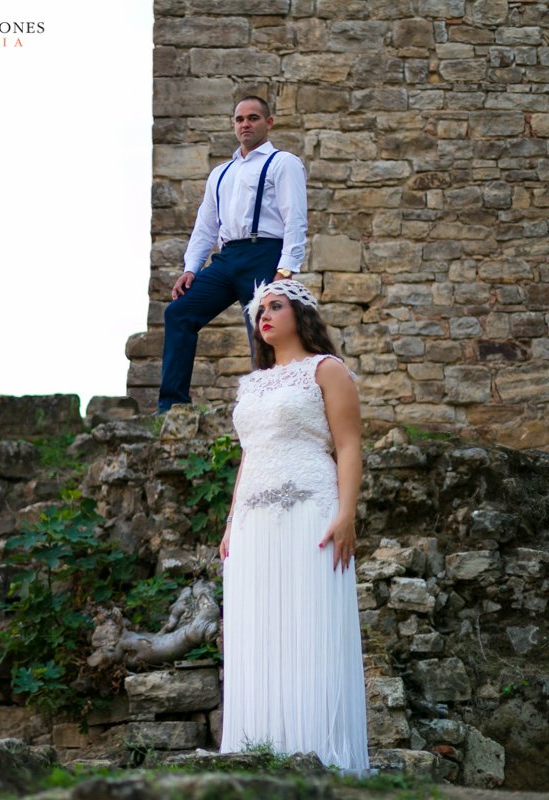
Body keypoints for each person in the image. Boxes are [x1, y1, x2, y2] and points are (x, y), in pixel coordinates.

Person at [217, 278, 369, 773]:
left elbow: (347, 445)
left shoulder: (327, 370)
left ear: (300, 314)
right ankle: (260, 749)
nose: (264, 316)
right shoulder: (251, 384)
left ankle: (322, 755)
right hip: (254, 520)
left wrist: (345, 513)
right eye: (259, 310)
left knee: (310, 620)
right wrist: (231, 521)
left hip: (311, 510)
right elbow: (249, 456)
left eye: (275, 306)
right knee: (259, 626)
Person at [158, 95, 308, 413]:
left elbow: (295, 217)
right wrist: (191, 268)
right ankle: (172, 405)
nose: (245, 124)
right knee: (179, 313)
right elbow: (206, 226)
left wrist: (287, 268)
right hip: (227, 258)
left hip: (265, 253)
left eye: (253, 118)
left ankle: (270, 408)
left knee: (265, 330)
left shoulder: (283, 163)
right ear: (233, 125)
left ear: (268, 123)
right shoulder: (221, 173)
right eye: (240, 119)